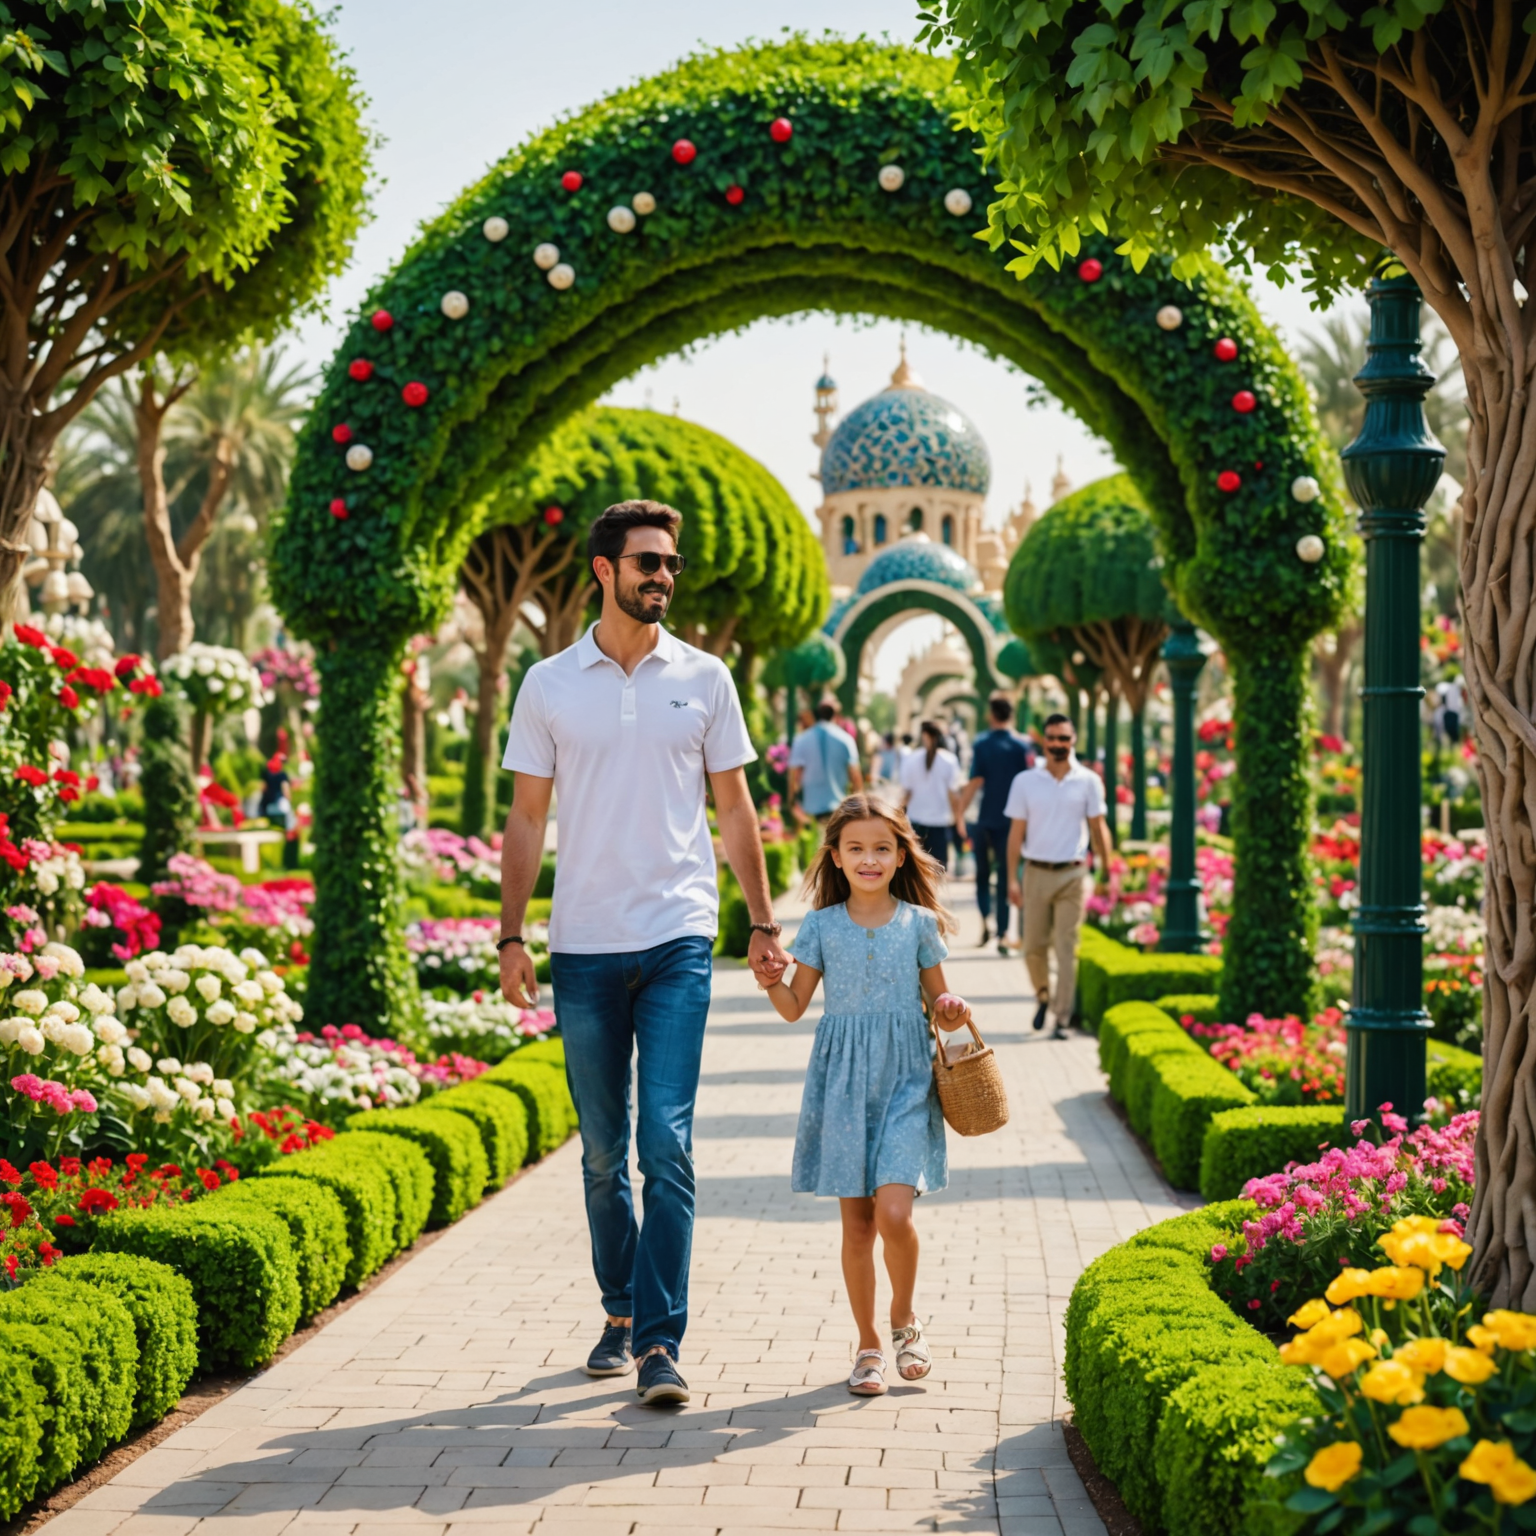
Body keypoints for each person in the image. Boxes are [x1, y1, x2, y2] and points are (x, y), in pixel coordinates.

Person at [498, 499, 788, 1407]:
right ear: (603, 570)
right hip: (583, 943)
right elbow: (526, 816)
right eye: (647, 562)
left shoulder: (705, 678)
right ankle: (619, 1310)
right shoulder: (548, 683)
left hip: (677, 937)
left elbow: (735, 807)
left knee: (664, 1143)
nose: (663, 575)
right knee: (599, 1152)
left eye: (670, 563)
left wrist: (763, 920)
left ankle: (661, 1341)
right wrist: (511, 933)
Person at [756, 794, 972, 1396]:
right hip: (842, 1086)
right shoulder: (821, 926)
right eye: (857, 849)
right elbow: (795, 1008)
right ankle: (869, 1345)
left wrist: (953, 1010)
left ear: (902, 855)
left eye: (882, 848)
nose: (869, 858)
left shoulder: (920, 924)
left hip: (907, 1080)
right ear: (836, 856)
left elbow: (943, 1007)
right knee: (856, 1228)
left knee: (894, 1213)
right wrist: (770, 982)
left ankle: (905, 1319)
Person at [1004, 713, 1113, 1039]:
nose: (1058, 744)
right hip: (1036, 872)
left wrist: (1107, 870)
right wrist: (1011, 878)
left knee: (1067, 946)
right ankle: (1042, 995)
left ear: (1073, 741)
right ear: (1044, 741)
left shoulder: (1088, 781)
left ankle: (1062, 1018)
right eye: (1052, 738)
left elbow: (1098, 827)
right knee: (1033, 947)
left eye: (1064, 738)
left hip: (1073, 874)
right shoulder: (1025, 782)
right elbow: (1015, 833)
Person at [957, 694, 1033, 953]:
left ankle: (985, 921)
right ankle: (1002, 933)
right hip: (1014, 822)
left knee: (982, 874)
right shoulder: (1023, 747)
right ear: (1011, 715)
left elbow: (975, 782)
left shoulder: (982, 744)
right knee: (1005, 877)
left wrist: (959, 813)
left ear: (991, 715)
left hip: (985, 818)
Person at [898, 720, 963, 869]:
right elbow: (954, 795)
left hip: (915, 821)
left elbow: (907, 793)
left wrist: (897, 814)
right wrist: (959, 820)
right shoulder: (950, 760)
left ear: (922, 736)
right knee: (937, 870)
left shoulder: (911, 759)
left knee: (916, 870)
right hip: (939, 822)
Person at [789, 699, 864, 820]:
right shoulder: (846, 739)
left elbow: (794, 775)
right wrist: (858, 806)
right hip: (838, 808)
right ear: (835, 715)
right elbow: (855, 776)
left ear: (816, 714)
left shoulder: (801, 740)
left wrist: (792, 802)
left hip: (810, 808)